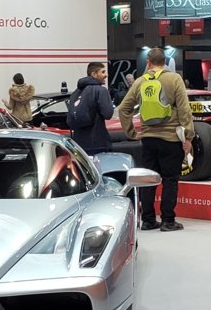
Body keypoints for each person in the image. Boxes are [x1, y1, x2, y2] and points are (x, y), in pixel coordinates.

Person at [117, 48, 195, 232]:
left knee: (148, 180)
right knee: (170, 180)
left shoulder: (140, 81)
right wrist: (188, 136)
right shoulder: (174, 79)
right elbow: (184, 110)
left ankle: (148, 220)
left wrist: (132, 133)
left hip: (148, 139)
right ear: (165, 62)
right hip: (171, 139)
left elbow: (123, 109)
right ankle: (168, 221)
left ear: (148, 63)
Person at [67, 61, 116, 154]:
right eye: (103, 72)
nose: (106, 75)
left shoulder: (75, 93)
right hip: (98, 142)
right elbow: (108, 114)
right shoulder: (101, 90)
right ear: (94, 74)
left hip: (78, 143)